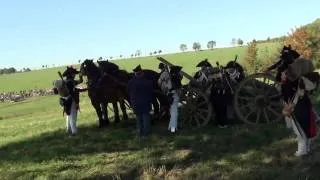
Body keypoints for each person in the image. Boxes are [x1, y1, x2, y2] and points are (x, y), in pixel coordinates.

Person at [280, 52, 318, 156]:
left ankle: (302, 151)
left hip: (297, 106)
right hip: (304, 103)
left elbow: (287, 95)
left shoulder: (292, 81)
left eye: (284, 74)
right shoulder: (302, 78)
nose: (283, 75)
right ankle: (307, 148)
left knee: (300, 129)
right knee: (306, 127)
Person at [54, 66, 83, 136]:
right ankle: (74, 132)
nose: (74, 75)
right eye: (74, 74)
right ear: (71, 74)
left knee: (68, 115)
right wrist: (81, 77)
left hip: (65, 101)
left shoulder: (65, 81)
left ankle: (68, 129)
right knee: (73, 116)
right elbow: (80, 81)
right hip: (71, 100)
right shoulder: (71, 81)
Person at [128, 65, 154, 137]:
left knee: (138, 119)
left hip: (135, 104)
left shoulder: (130, 82)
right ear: (142, 73)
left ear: (135, 74)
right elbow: (151, 92)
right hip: (145, 103)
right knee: (146, 118)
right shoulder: (148, 82)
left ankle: (140, 132)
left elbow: (128, 91)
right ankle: (146, 133)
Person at [158, 63, 183, 133]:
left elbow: (159, 82)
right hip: (174, 95)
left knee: (173, 112)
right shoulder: (176, 77)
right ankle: (173, 129)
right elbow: (181, 77)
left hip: (170, 94)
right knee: (174, 112)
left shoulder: (169, 75)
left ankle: (171, 128)